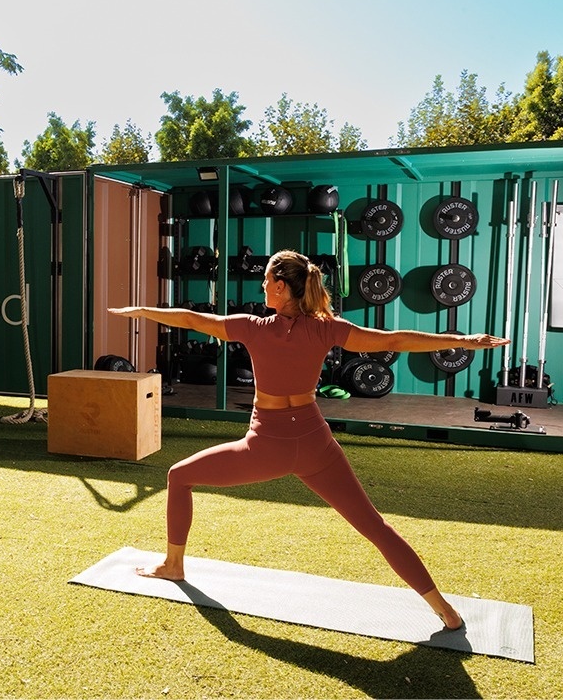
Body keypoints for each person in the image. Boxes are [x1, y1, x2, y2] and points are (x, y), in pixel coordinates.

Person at [109, 249, 509, 630]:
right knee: (376, 527)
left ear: (281, 286)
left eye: (266, 281)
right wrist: (462, 341)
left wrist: (143, 311)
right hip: (316, 443)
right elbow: (394, 340)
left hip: (267, 445)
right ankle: (445, 610)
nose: (261, 288)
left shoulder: (252, 327)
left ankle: (174, 565)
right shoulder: (325, 329)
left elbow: (192, 319)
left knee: (180, 476)